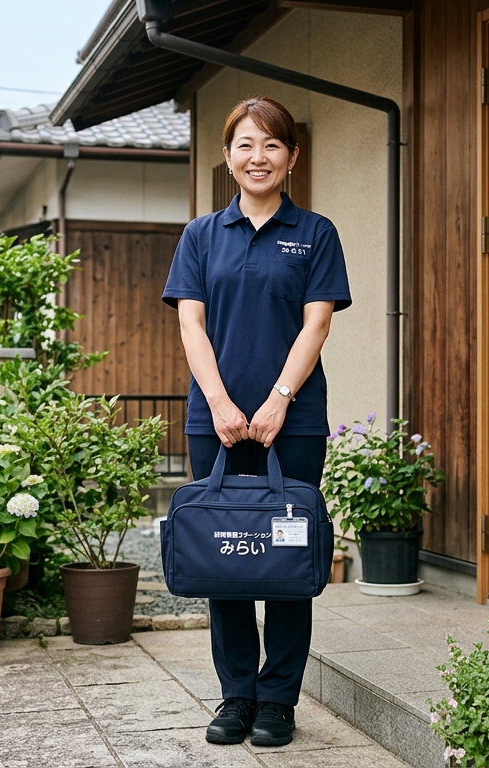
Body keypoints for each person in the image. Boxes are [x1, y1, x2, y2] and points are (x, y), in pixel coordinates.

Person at [162, 96, 351, 748]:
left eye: (271, 144)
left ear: (292, 156)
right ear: (227, 156)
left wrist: (278, 399)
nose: (258, 157)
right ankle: (236, 695)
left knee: (287, 559)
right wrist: (219, 402)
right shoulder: (200, 235)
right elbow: (191, 324)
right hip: (212, 421)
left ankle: (277, 701)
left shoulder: (316, 233)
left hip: (292, 424)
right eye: (245, 144)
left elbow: (316, 323)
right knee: (227, 559)